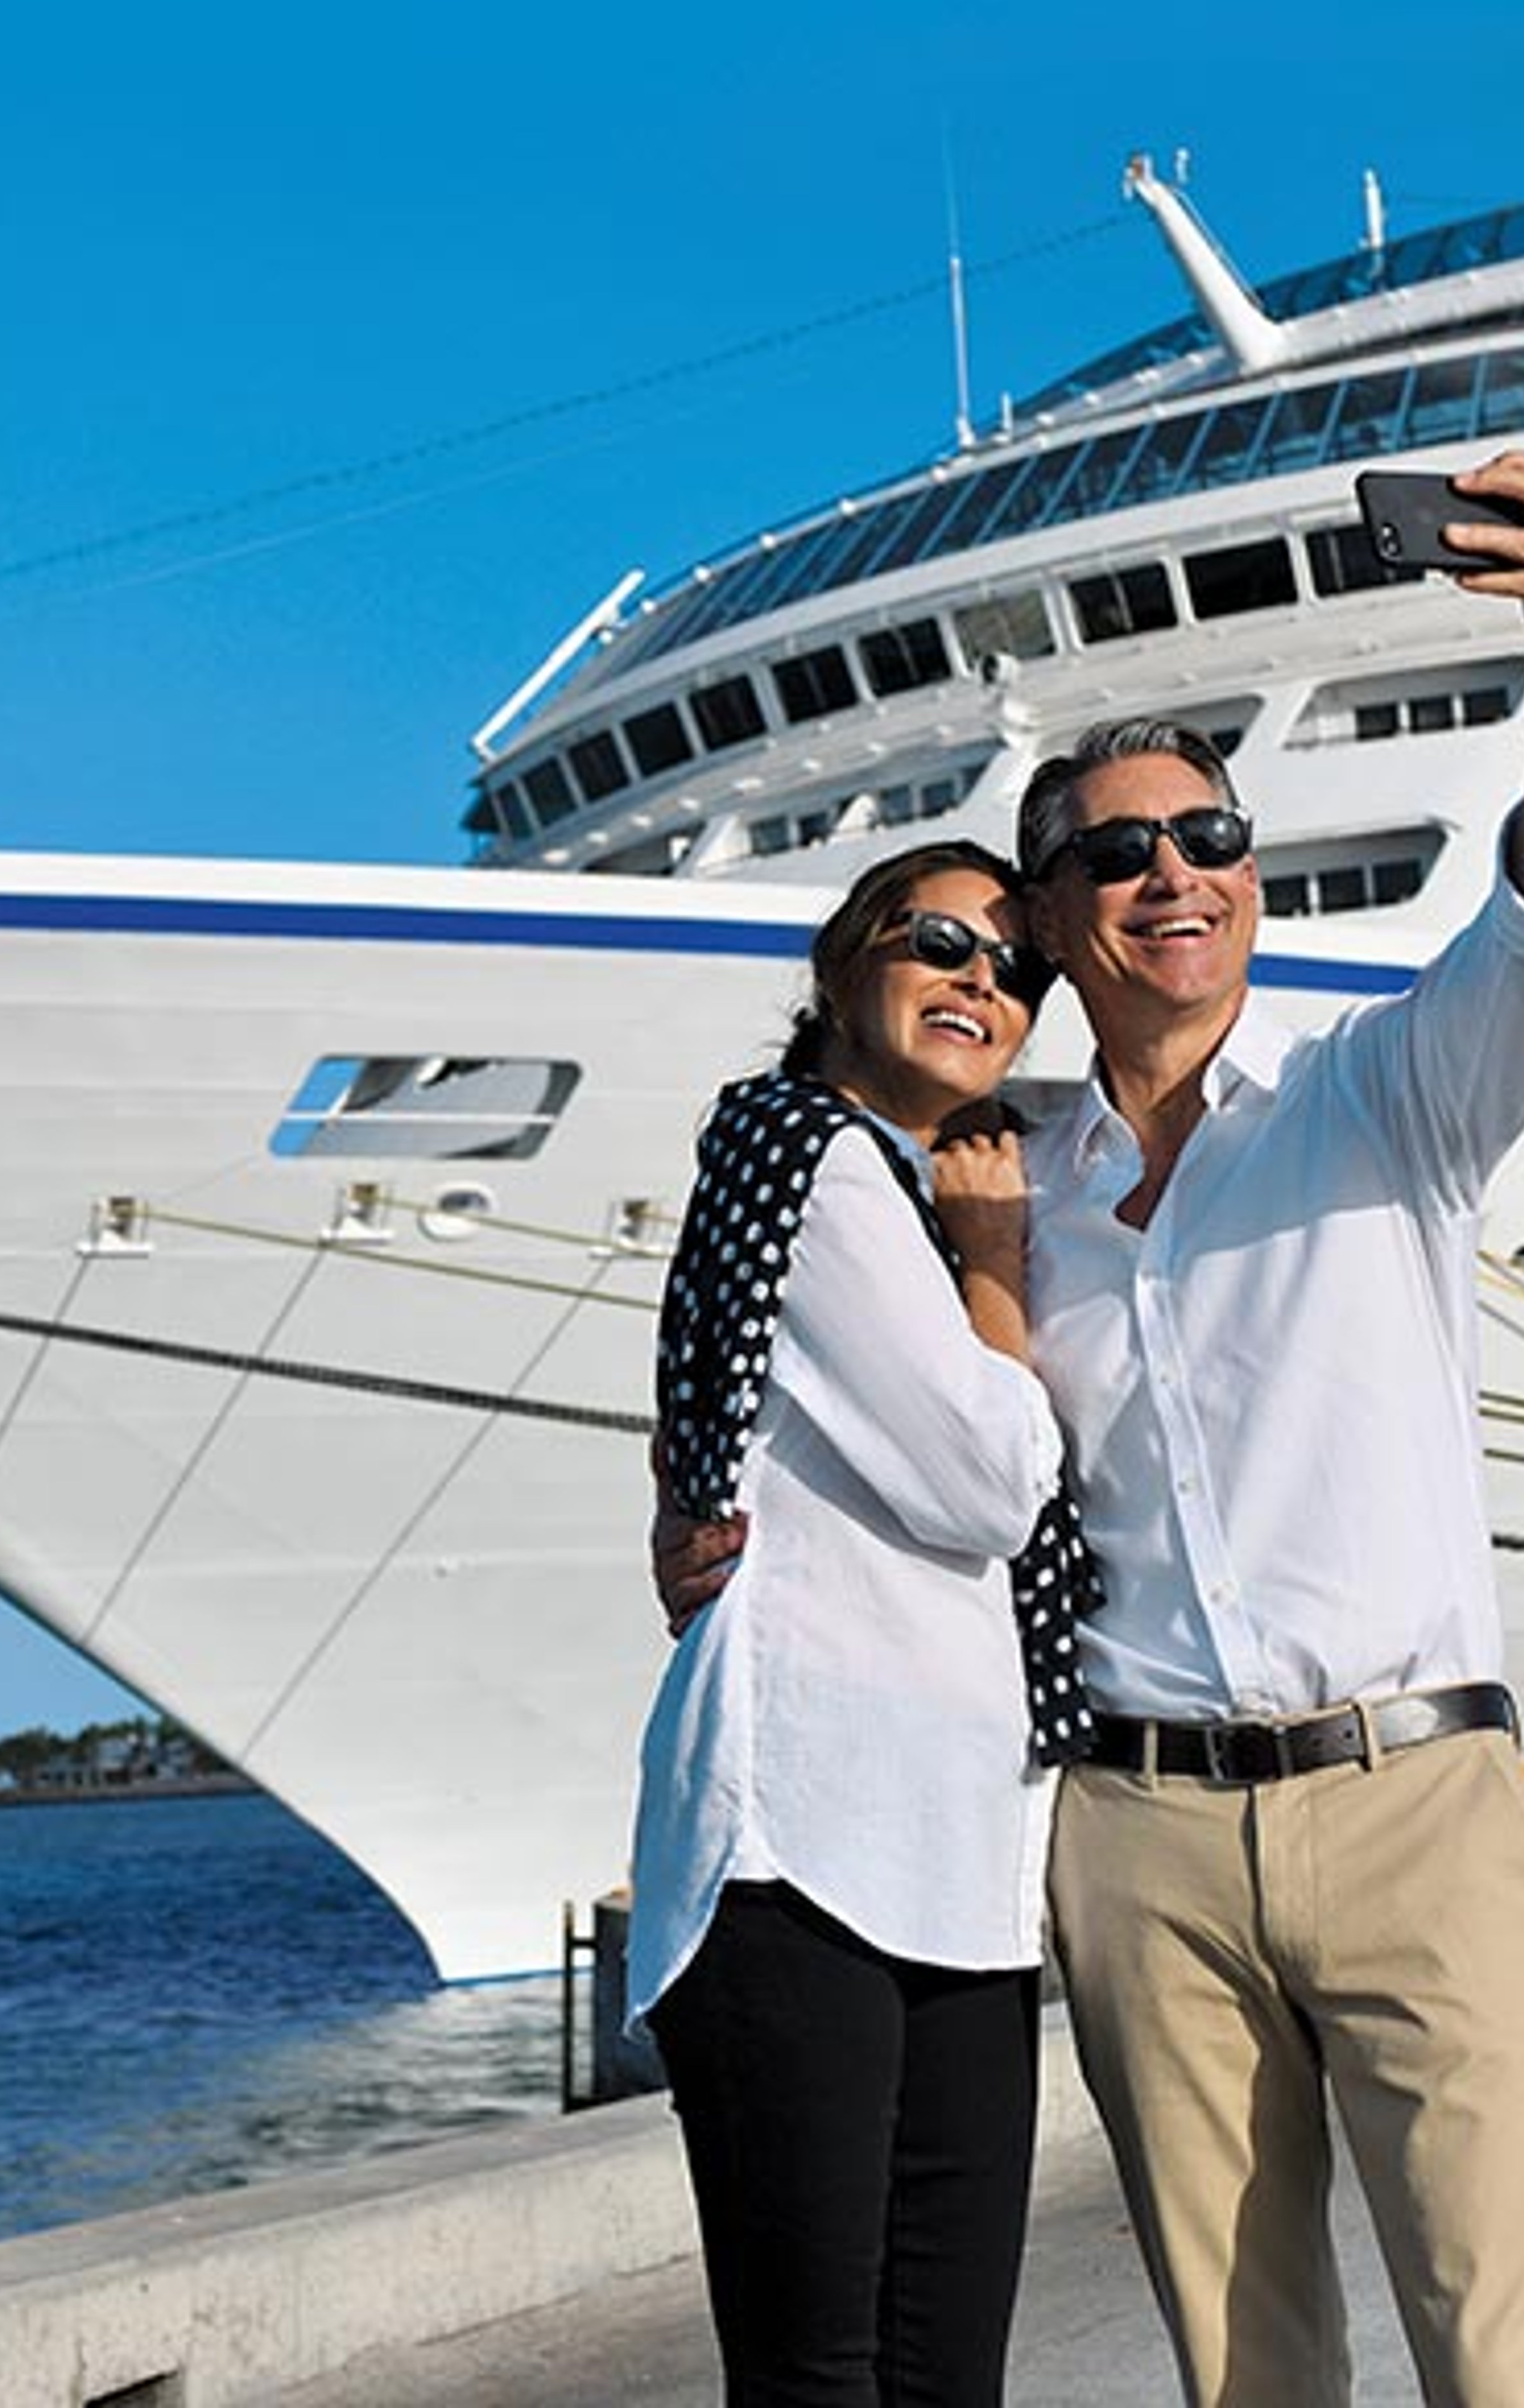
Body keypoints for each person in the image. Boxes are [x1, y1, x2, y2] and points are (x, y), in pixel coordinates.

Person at [665, 450, 1524, 2406]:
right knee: (1244, 2375)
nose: (1176, 870)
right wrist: (689, 1495)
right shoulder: (983, 1193)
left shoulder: (1387, 1100)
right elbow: (823, 1378)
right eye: (1119, 852)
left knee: (1511, 2362)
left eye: (1212, 833)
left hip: (1412, 1799)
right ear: (1044, 913)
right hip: (1137, 1837)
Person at [628, 836, 1094, 2408]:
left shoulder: (866, 1184)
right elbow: (981, 1481)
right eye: (940, 942)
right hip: (805, 1851)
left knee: (923, 2378)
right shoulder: (812, 1154)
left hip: (946, 1862)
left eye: (1014, 967)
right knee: (833, 2378)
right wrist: (1000, 1266)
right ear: (845, 964)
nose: (982, 980)